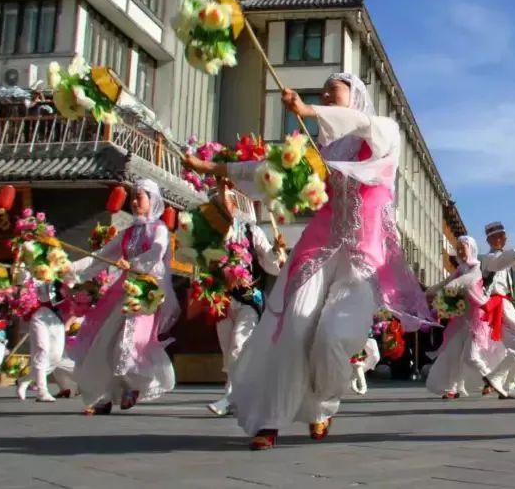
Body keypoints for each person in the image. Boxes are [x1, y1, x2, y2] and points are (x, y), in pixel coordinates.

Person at [182, 73, 431, 450]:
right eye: (324, 88)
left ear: (356, 94)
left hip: (363, 258)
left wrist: (308, 109)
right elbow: (266, 169)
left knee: (333, 336)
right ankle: (269, 420)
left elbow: (362, 125)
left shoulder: (384, 131)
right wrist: (212, 170)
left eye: (337, 87)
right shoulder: (320, 153)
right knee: (292, 326)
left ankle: (322, 406)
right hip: (318, 245)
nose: (328, 91)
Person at [67, 179, 179, 415]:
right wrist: (70, 267)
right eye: (133, 197)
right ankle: (103, 397)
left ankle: (133, 386)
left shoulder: (159, 229)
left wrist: (135, 263)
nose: (135, 201)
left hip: (146, 293)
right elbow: (100, 255)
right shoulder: (128, 232)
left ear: (153, 200)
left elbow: (157, 252)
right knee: (104, 341)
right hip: (125, 291)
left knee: (128, 343)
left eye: (140, 196)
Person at [203, 177, 287, 416]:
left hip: (248, 296)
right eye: (216, 204)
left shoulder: (251, 229)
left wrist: (276, 252)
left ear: (233, 203)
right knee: (228, 350)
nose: (221, 207)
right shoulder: (207, 234)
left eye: (224, 201)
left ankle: (230, 398)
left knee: (238, 347)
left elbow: (270, 264)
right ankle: (238, 392)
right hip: (220, 298)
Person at [425, 236, 503, 399]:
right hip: (461, 320)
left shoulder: (477, 267)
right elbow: (447, 281)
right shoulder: (460, 269)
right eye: (458, 248)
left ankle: (492, 379)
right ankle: (453, 388)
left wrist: (448, 287)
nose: (460, 251)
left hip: (477, 319)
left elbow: (466, 281)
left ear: (472, 248)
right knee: (452, 353)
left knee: (471, 356)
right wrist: (428, 292)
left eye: (463, 247)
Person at [479, 222, 515, 399]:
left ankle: (507, 386)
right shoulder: (489, 259)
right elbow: (504, 261)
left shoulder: (504, 257)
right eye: (500, 236)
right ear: (491, 239)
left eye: (503, 235)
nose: (504, 238)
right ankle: (497, 378)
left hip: (503, 304)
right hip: (499, 304)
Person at [15, 270, 68, 402]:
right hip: (38, 315)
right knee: (42, 349)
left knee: (55, 355)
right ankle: (42, 391)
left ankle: (25, 380)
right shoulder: (29, 273)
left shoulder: (59, 271)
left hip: (55, 317)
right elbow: (21, 286)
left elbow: (71, 287)